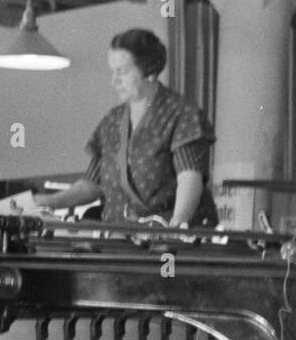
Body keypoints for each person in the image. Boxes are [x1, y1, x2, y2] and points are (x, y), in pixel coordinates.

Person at [33, 28, 217, 227]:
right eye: (113, 71)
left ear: (150, 71)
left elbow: (189, 178)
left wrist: (176, 228)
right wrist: (49, 202)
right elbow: (93, 183)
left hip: (164, 237)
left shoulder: (182, 115)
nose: (114, 81)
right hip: (119, 234)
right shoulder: (112, 120)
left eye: (122, 71)